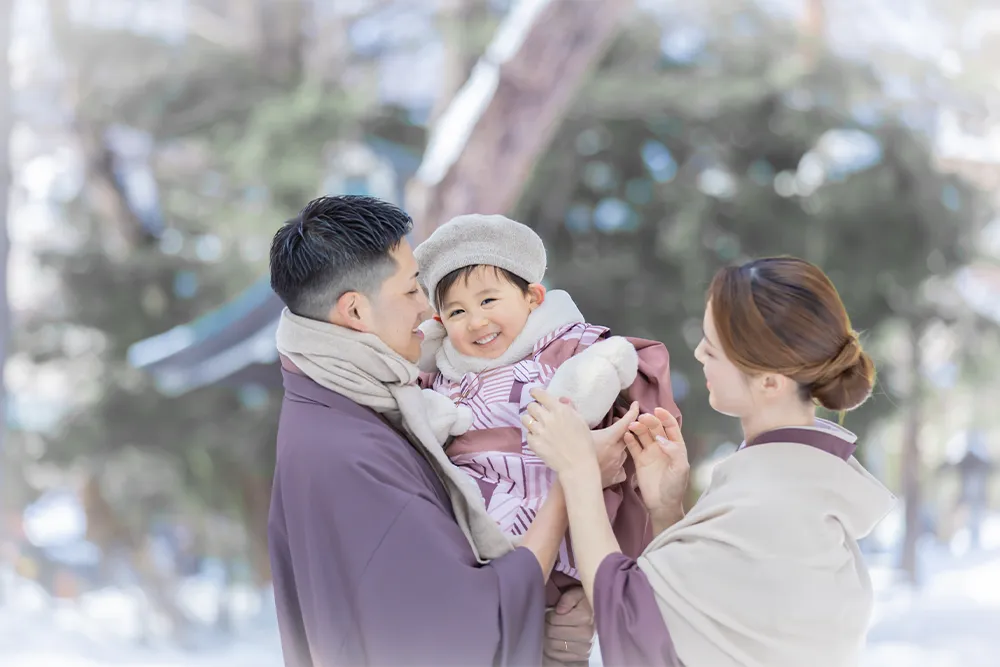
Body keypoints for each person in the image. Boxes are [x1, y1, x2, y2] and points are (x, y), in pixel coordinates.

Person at [266, 195, 609, 666]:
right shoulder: (345, 452)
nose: (429, 310)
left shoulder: (341, 406)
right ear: (356, 313)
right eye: (411, 291)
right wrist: (575, 476)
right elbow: (464, 630)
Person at [522, 256, 898, 667]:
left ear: (770, 382)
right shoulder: (793, 487)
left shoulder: (771, 507)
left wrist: (578, 470)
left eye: (713, 349)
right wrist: (668, 512)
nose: (699, 353)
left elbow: (631, 621)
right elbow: (712, 618)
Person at [412, 213, 680, 604]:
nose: (476, 321)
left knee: (567, 620)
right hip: (483, 528)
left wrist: (595, 374)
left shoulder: (560, 349)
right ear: (439, 321)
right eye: (457, 312)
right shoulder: (442, 374)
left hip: (560, 515)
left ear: (532, 297)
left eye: (488, 300)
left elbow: (627, 368)